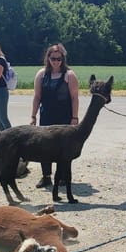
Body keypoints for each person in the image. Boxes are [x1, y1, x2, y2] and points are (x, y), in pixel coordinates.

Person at [30, 43, 80, 188]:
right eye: (53, 58)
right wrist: (33, 116)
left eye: (59, 59)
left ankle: (63, 176)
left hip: (64, 117)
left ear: (63, 59)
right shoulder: (41, 74)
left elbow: (74, 98)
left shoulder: (69, 75)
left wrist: (75, 118)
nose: (56, 61)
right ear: (48, 58)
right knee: (44, 147)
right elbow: (37, 97)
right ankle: (46, 177)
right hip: (46, 117)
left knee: (63, 149)